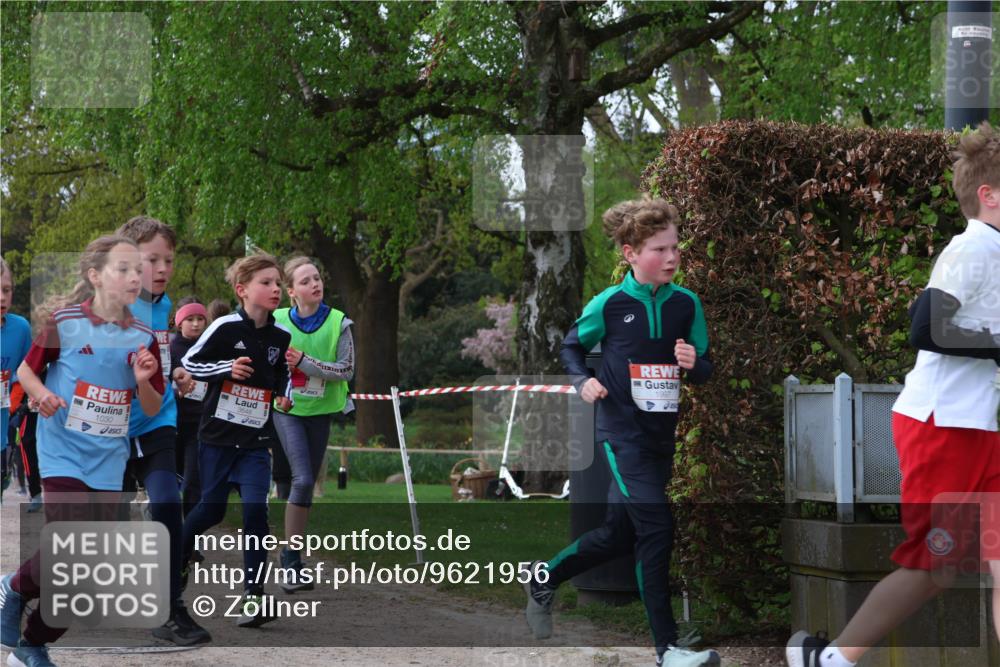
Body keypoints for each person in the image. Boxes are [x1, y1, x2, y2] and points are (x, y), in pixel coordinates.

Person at [785, 124, 1000, 666]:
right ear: (988, 194)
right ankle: (832, 659)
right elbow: (926, 326)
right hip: (942, 426)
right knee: (935, 567)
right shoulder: (974, 245)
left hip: (983, 428)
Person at [523, 197, 719, 667]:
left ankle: (545, 578)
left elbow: (706, 366)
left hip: (659, 438)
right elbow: (572, 346)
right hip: (620, 433)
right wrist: (582, 380)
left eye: (675, 247)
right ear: (631, 253)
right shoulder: (609, 305)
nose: (672, 257)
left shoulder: (687, 304)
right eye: (660, 249)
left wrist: (695, 365)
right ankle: (667, 649)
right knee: (657, 526)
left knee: (618, 535)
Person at [0, 236, 164, 667]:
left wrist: (145, 380)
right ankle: (17, 591)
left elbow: (150, 405)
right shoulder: (65, 322)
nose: (135, 277)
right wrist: (41, 395)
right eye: (123, 269)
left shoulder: (144, 334)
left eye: (137, 270)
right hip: (63, 452)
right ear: (95, 276)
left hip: (109, 460)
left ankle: (30, 638)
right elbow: (25, 372)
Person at [180, 252, 292, 628]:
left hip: (257, 441)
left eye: (277, 283)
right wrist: (226, 368)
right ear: (242, 290)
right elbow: (192, 363)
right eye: (267, 283)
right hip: (218, 438)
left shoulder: (281, 336)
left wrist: (282, 393)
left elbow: (280, 375)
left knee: (255, 512)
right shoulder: (225, 327)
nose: (275, 289)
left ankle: (253, 596)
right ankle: (174, 556)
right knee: (210, 511)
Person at [116, 216, 210, 646]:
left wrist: (177, 378)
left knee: (169, 505)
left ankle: (170, 607)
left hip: (158, 422)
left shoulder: (165, 304)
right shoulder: (109, 305)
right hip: (110, 430)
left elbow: (161, 361)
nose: (162, 268)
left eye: (168, 260)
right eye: (152, 258)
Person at [272, 257, 354, 591]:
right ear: (291, 291)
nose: (315, 285)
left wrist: (307, 362)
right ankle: (291, 562)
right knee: (303, 480)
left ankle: (292, 556)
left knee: (299, 486)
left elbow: (346, 370)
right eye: (305, 281)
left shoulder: (339, 323)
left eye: (317, 278)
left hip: (320, 411)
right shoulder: (275, 321)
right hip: (287, 410)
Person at [170, 296, 209, 518]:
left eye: (200, 319)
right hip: (172, 422)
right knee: (171, 479)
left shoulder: (210, 347)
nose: (195, 324)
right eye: (190, 319)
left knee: (194, 479)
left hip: (199, 423)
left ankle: (190, 540)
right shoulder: (171, 349)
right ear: (179, 322)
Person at [0, 257, 32, 501]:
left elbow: (26, 373)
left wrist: (17, 404)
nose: (2, 297)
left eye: (6, 290)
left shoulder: (20, 328)